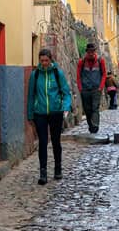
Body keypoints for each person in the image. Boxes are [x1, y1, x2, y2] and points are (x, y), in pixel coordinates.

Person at [27, 48, 72, 185]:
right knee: (42, 142)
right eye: (42, 61)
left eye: (46, 60)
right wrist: (30, 114)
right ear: (39, 61)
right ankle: (43, 172)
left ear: (50, 59)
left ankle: (58, 168)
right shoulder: (35, 75)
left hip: (55, 112)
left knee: (56, 141)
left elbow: (66, 93)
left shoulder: (57, 73)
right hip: (40, 112)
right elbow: (30, 95)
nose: (44, 63)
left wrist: (65, 108)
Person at [76, 43, 106, 134]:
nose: (91, 53)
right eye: (89, 52)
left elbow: (104, 74)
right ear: (87, 52)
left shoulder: (100, 61)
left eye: (93, 51)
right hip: (85, 89)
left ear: (95, 51)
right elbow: (78, 76)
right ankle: (91, 125)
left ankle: (95, 126)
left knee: (95, 108)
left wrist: (101, 87)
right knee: (87, 109)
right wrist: (80, 88)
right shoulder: (82, 62)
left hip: (96, 89)